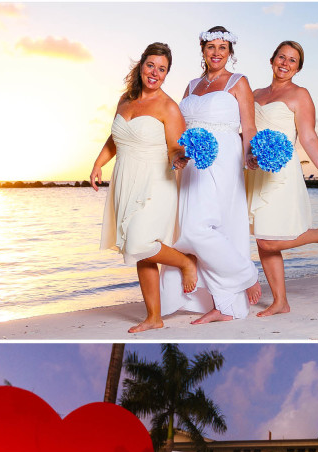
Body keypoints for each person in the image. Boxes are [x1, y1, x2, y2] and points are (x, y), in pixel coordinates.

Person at [91, 42, 197, 333]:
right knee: (139, 250)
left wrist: (179, 159)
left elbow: (176, 147)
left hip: (156, 182)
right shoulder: (125, 99)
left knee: (140, 242)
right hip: (125, 179)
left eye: (162, 69)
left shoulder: (168, 106)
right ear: (141, 65)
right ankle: (154, 317)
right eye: (151, 65)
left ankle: (185, 263)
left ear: (166, 74)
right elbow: (115, 138)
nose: (155, 73)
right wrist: (98, 163)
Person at [160, 26, 262, 323]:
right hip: (193, 162)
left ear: (230, 52)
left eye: (223, 48)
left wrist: (250, 156)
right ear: (202, 50)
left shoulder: (238, 82)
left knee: (210, 227)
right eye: (210, 47)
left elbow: (249, 126)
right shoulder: (191, 85)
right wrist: (178, 155)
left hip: (225, 158)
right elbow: (179, 127)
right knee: (193, 229)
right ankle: (224, 304)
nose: (216, 53)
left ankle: (243, 277)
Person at [246, 40, 318, 317]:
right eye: (281, 57)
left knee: (268, 240)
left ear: (298, 67)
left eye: (292, 60)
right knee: (262, 239)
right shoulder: (253, 93)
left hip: (281, 175)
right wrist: (247, 156)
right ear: (271, 59)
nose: (285, 63)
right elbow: (245, 133)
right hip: (255, 172)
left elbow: (309, 137)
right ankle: (280, 302)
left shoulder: (300, 94)